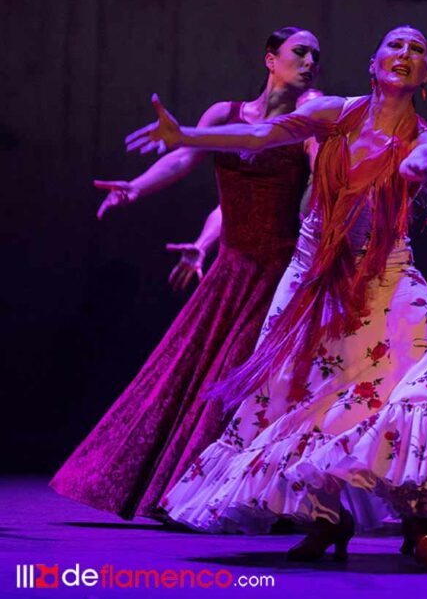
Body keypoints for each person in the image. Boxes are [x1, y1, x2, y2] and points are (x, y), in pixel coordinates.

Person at [126, 25, 427, 568]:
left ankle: (421, 518)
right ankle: (326, 521)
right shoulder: (336, 112)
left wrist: (420, 169)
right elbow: (262, 137)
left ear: (424, 76)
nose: (405, 54)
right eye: (395, 45)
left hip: (386, 275)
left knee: (423, 381)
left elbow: (421, 161)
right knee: (306, 397)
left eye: (417, 50)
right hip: (315, 274)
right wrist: (188, 136)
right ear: (374, 63)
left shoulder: (422, 137)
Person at [51, 27, 321, 520]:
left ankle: (234, 498)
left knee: (241, 382)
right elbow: (191, 166)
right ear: (270, 59)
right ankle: (176, 490)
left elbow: (310, 195)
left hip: (277, 273)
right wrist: (139, 191)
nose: (309, 61)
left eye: (315, 55)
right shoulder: (225, 114)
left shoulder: (309, 119)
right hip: (230, 270)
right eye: (299, 52)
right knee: (184, 376)